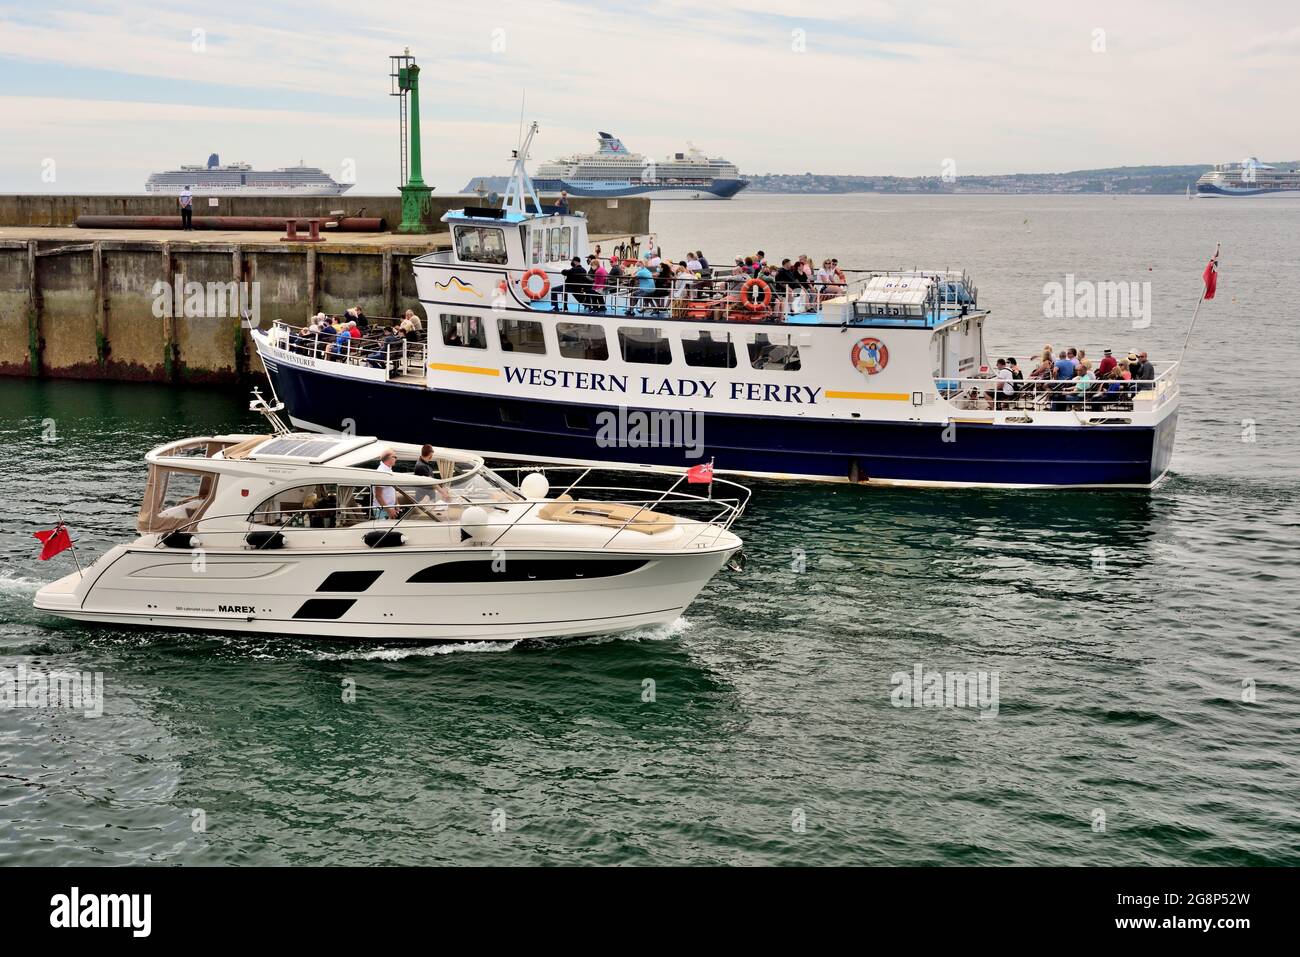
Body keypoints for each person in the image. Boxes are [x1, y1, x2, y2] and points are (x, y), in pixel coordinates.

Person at [374, 449, 400, 519]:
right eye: (395, 457)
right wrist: (389, 510)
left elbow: (392, 489)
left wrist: (396, 503)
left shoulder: (389, 470)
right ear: (389, 458)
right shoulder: (381, 472)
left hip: (388, 508)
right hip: (382, 510)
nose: (396, 459)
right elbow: (378, 495)